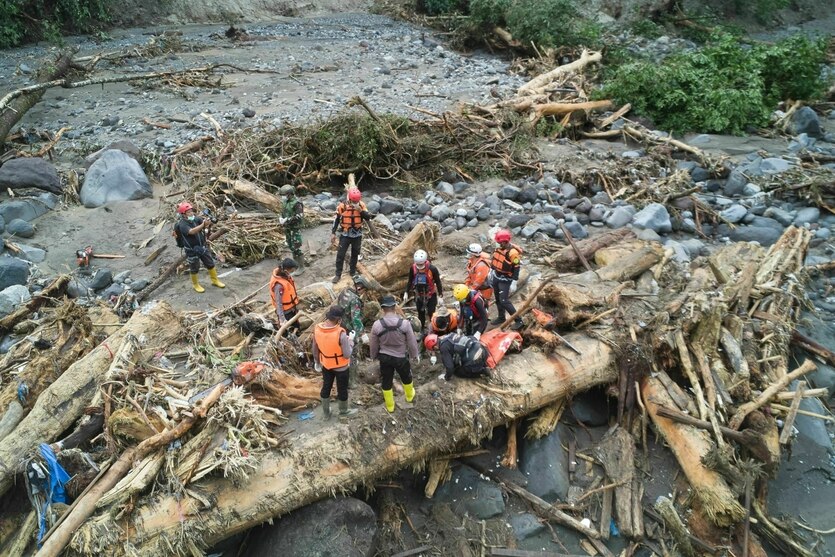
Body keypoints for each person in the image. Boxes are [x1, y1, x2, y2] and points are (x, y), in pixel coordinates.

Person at [369, 295, 419, 413]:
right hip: (401, 357)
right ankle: (409, 396)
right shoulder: (405, 324)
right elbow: (412, 342)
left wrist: (373, 356)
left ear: (382, 309)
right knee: (406, 377)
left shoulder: (377, 325)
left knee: (386, 380)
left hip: (385, 358)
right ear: (395, 307)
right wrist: (414, 355)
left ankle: (390, 406)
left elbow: (373, 343)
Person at [312, 306, 358, 420]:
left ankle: (326, 413)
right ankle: (343, 411)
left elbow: (314, 348)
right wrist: (351, 341)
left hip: (326, 365)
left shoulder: (317, 329)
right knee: (342, 389)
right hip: (341, 367)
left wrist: (317, 361)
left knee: (326, 387)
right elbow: (347, 354)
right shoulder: (341, 334)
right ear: (339, 320)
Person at [174, 201, 225, 293]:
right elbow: (192, 231)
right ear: (183, 214)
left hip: (202, 246)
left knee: (210, 263)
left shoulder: (196, 219)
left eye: (191, 211)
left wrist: (209, 222)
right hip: (191, 250)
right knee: (194, 267)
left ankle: (215, 280)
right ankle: (195, 284)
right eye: (188, 212)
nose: (191, 213)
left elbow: (205, 224)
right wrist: (203, 225)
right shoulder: (182, 224)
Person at [331, 187, 374, 283]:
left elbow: (368, 217)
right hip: (345, 234)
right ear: (349, 199)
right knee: (340, 255)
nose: (355, 202)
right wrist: (333, 233)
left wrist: (360, 211)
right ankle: (338, 274)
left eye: (357, 201)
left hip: (357, 235)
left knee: (355, 254)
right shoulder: (342, 206)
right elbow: (336, 219)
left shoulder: (362, 205)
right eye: (354, 201)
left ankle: (352, 272)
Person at [404, 249, 444, 332]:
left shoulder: (432, 269)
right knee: (420, 313)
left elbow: (438, 282)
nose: (419, 266)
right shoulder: (413, 268)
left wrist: (440, 296)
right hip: (419, 295)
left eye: (421, 264)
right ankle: (421, 329)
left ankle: (433, 328)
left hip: (430, 295)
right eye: (418, 264)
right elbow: (410, 281)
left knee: (431, 312)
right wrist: (406, 292)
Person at [490, 230, 523, 330]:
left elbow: (516, 267)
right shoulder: (500, 248)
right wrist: (491, 271)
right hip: (497, 275)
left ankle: (519, 320)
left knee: (504, 301)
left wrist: (514, 281)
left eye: (499, 242)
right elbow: (495, 260)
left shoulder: (513, 253)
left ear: (504, 242)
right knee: (497, 298)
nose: (498, 244)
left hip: (506, 279)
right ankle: (501, 317)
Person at [424, 332, 489, 382]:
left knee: (457, 372)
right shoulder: (450, 335)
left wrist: (446, 377)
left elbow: (450, 368)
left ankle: (481, 371)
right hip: (483, 350)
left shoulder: (443, 347)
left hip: (475, 358)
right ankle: (484, 364)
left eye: (433, 349)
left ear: (435, 347)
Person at [278, 184, 305, 276]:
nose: (282, 197)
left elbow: (299, 216)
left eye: (284, 195)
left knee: (296, 246)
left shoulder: (297, 203)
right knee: (291, 246)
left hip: (295, 228)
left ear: (289, 194)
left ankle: (301, 267)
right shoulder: (286, 202)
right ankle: (296, 266)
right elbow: (283, 212)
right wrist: (281, 218)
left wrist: (288, 220)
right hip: (288, 228)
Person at [269, 258, 301, 334]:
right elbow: (278, 303)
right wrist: (282, 319)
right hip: (286, 313)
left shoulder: (285, 276)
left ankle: (297, 332)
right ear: (286, 270)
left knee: (296, 326)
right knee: (288, 332)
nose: (292, 273)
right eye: (292, 271)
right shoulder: (279, 286)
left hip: (292, 309)